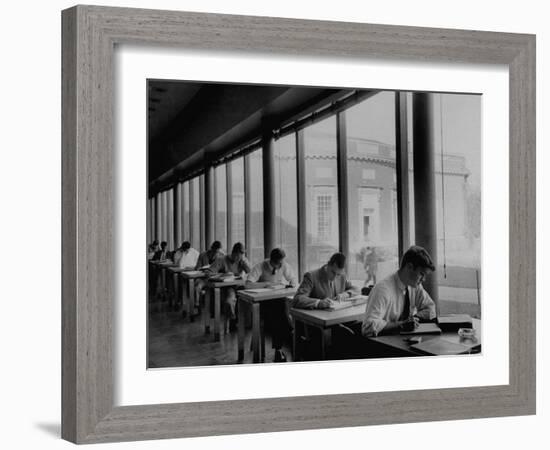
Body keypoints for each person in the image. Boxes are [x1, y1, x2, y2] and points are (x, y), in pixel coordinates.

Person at [361, 245, 436, 337]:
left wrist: (414, 319)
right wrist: (401, 325)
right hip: (383, 343)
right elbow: (368, 327)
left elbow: (430, 308)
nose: (423, 279)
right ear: (409, 267)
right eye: (421, 274)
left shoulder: (415, 286)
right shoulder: (382, 289)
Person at [246, 248, 298, 362]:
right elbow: (248, 284)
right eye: (278, 263)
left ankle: (279, 349)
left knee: (280, 310)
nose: (281, 265)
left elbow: (293, 278)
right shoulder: (260, 266)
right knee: (280, 315)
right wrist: (266, 284)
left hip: (277, 300)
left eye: (282, 262)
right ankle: (286, 342)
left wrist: (292, 283)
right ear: (272, 261)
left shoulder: (283, 264)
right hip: (263, 303)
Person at [208, 242, 251, 330]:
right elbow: (209, 272)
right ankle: (233, 320)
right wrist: (223, 275)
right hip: (228, 286)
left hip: (240, 286)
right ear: (233, 253)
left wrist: (244, 264)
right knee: (230, 301)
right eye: (238, 256)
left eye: (241, 256)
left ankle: (247, 323)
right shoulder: (222, 259)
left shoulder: (242, 260)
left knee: (249, 299)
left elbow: (250, 273)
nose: (239, 258)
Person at [292, 252, 359, 310]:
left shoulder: (342, 276)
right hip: (318, 321)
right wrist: (318, 303)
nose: (334, 277)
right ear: (328, 265)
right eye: (333, 272)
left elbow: (356, 289)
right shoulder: (311, 276)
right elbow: (297, 299)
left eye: (338, 274)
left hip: (337, 316)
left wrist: (346, 294)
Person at [194, 241, 225, 308]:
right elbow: (197, 268)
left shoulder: (222, 256)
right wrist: (203, 269)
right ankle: (197, 304)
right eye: (214, 252)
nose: (215, 254)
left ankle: (215, 308)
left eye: (217, 252)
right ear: (211, 249)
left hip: (215, 278)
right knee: (197, 286)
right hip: (203, 278)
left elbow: (223, 270)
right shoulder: (202, 255)